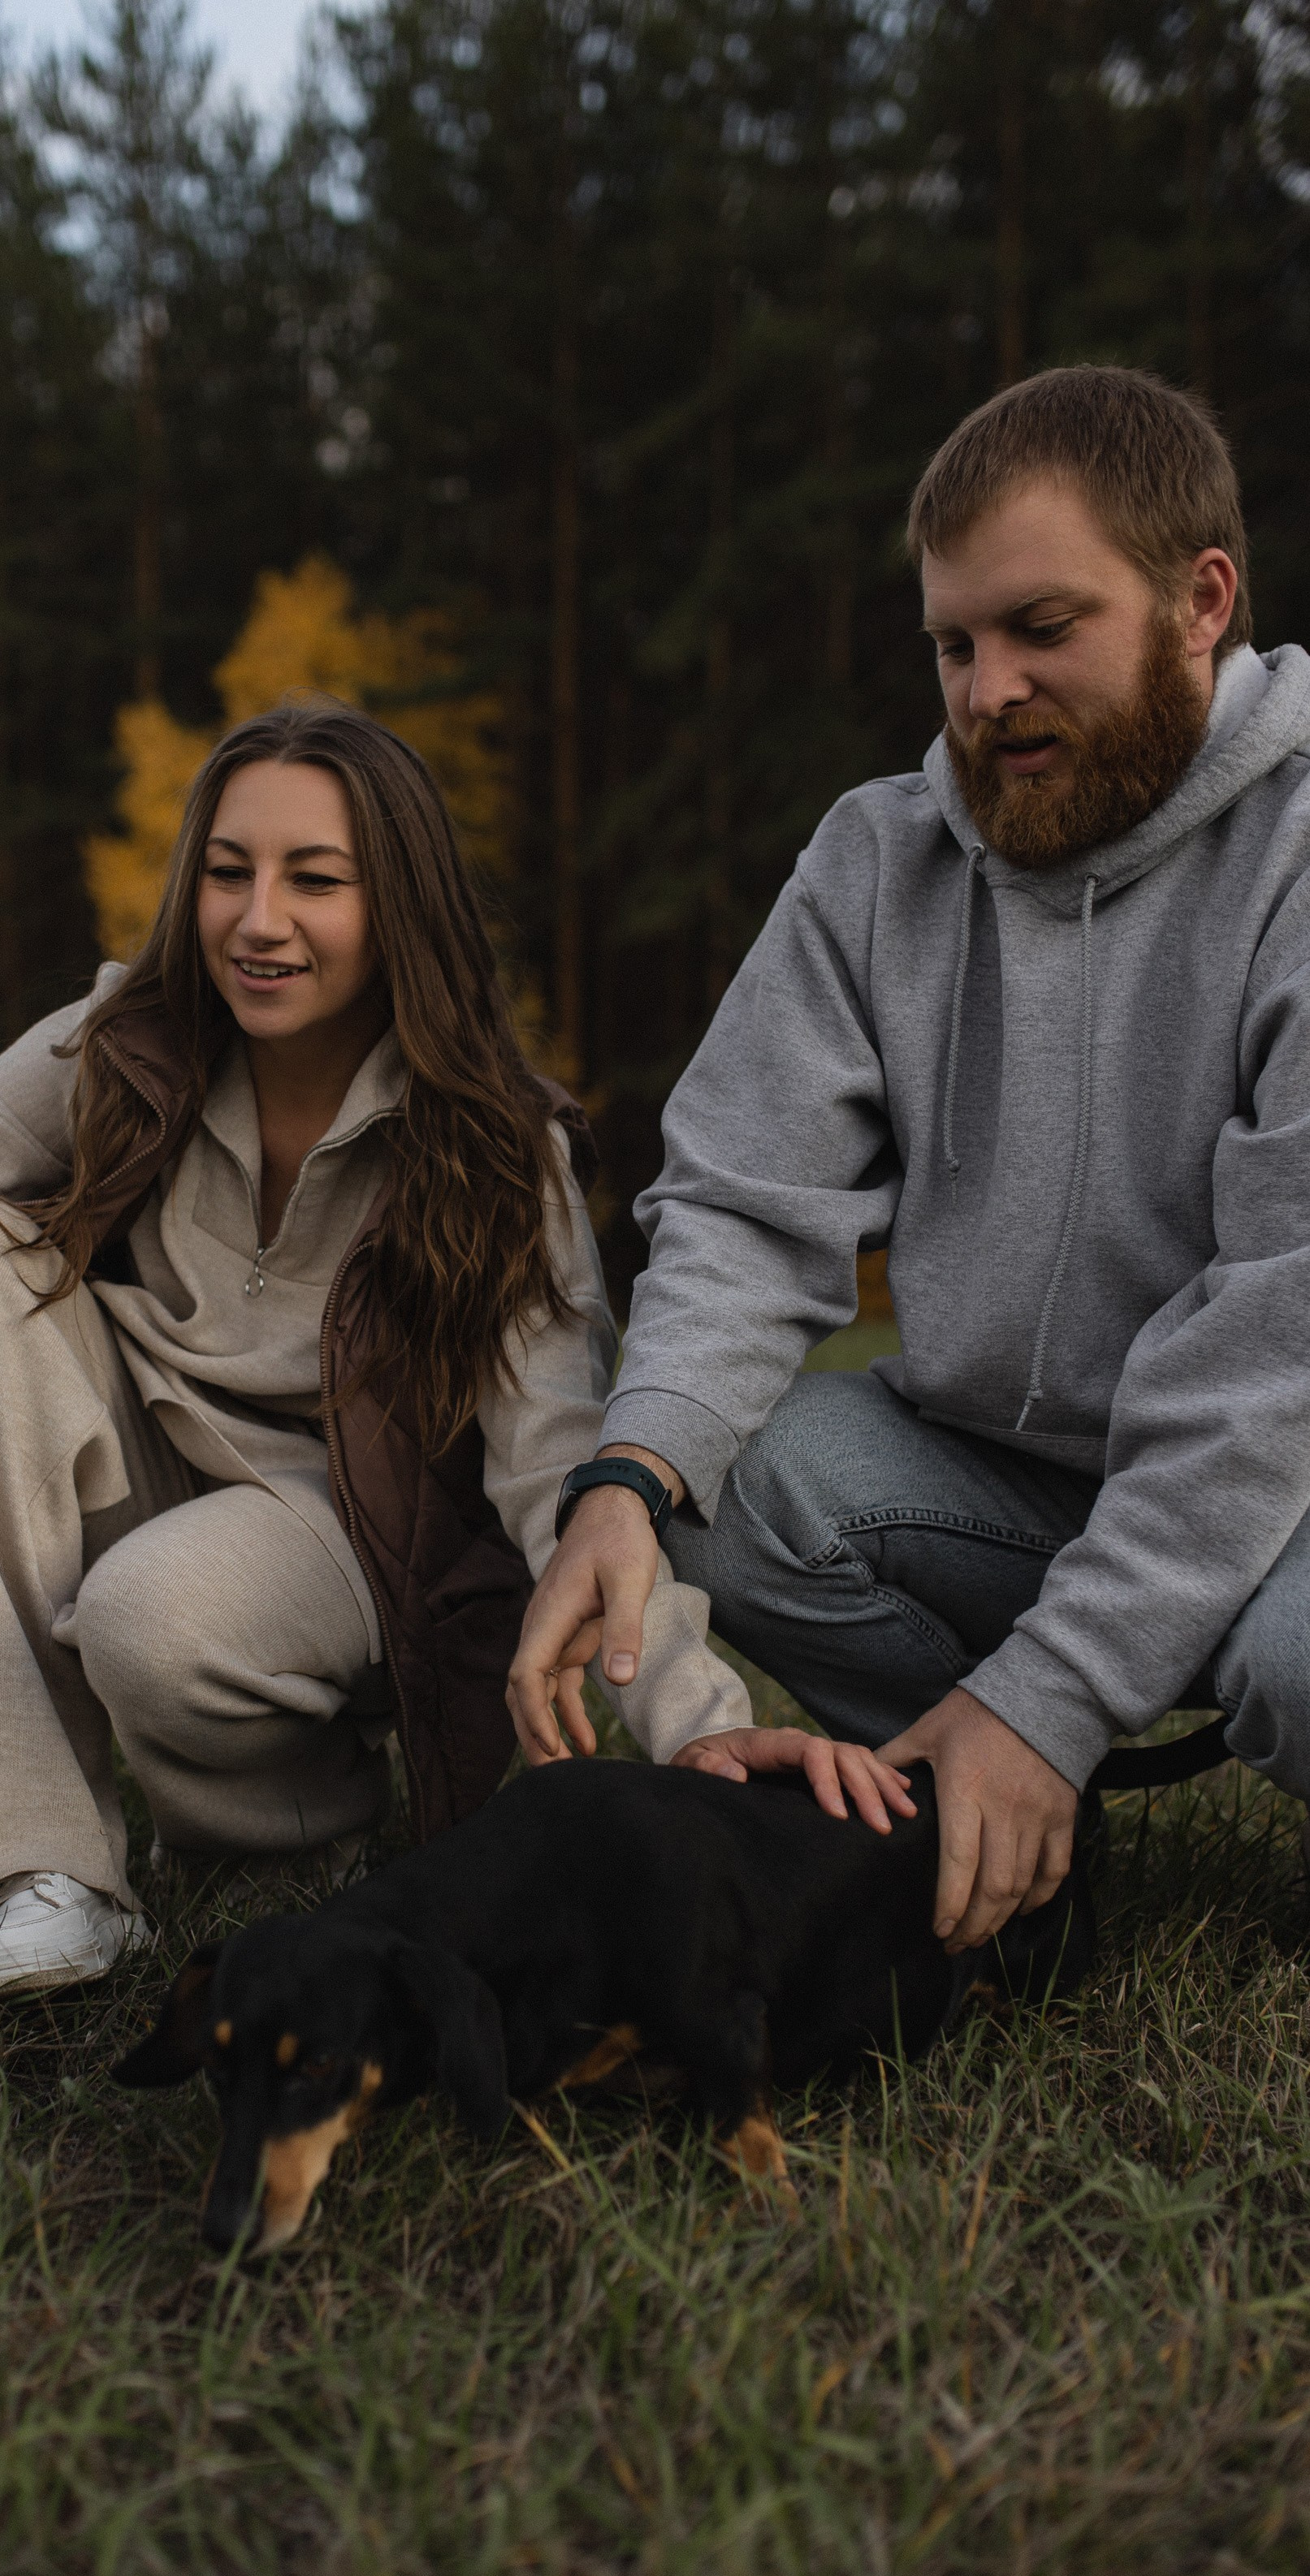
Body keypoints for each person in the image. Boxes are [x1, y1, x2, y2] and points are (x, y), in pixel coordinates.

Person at [0, 698, 909, 2004]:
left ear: (398, 904)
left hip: (347, 1533)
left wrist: (709, 1732)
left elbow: (554, 1473)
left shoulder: (489, 1147)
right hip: (138, 1456)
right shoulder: (122, 1041)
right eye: (228, 871)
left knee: (150, 1618)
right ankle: (41, 1873)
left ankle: (294, 1820)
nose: (259, 920)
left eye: (316, 880)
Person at [511, 364, 1310, 1958]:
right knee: (745, 1494)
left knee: (1301, 1654)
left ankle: (1026, 1735)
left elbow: (1275, 1350)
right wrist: (626, 1471)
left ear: (1200, 598)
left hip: (1286, 1475)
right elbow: (744, 1200)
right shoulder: (880, 855)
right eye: (954, 642)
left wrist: (1050, 1683)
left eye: (1042, 628)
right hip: (1013, 1467)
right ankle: (1004, 1827)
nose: (985, 689)